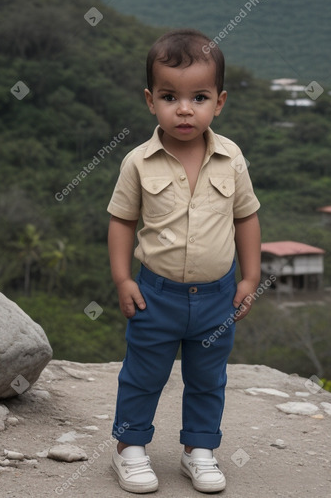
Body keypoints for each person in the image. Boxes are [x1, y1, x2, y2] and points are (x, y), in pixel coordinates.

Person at [107, 28, 261, 494]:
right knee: (143, 373)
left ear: (220, 101)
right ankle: (129, 448)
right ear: (151, 100)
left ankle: (200, 450)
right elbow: (121, 222)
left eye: (199, 96)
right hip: (156, 293)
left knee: (208, 377)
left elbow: (247, 217)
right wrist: (121, 279)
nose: (185, 108)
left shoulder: (231, 158)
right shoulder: (139, 161)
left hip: (217, 296)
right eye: (171, 96)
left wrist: (251, 276)